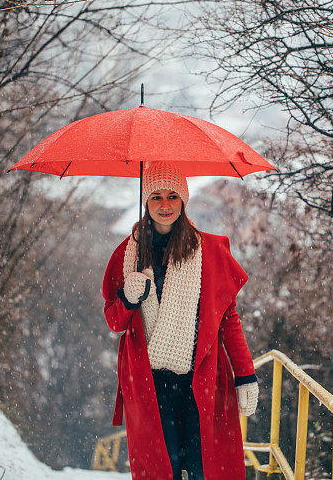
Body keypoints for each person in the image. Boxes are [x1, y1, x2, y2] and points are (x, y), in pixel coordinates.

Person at [102, 161, 259, 480]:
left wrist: (245, 375)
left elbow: (228, 319)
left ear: (184, 199)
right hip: (148, 383)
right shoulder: (128, 253)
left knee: (206, 470)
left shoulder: (211, 250)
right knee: (161, 470)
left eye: (172, 195)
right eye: (156, 196)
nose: (164, 205)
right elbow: (115, 322)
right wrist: (129, 298)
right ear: (145, 201)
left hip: (200, 379)